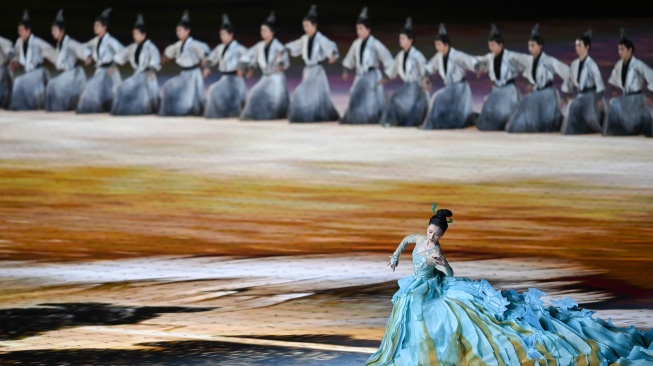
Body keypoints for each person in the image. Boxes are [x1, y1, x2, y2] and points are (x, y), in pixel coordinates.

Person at [366, 204, 653, 366]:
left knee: (450, 322)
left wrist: (443, 266)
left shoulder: (436, 251)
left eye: (437, 235)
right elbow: (405, 242)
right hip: (414, 286)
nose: (432, 237)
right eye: (430, 232)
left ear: (442, 237)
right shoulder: (419, 239)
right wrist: (394, 257)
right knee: (407, 317)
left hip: (432, 288)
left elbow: (450, 273)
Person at [506, 24, 571, 133]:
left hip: (548, 94)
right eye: (529, 46)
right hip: (537, 94)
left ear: (540, 46)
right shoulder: (529, 60)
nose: (530, 48)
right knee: (526, 102)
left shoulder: (549, 61)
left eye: (533, 45)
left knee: (526, 100)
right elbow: (514, 56)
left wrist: (565, 94)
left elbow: (568, 73)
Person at [284, 4, 339, 123]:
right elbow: (295, 45)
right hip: (308, 71)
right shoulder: (304, 39)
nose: (305, 28)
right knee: (306, 94)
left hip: (317, 71)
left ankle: (313, 116)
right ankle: (307, 115)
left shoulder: (320, 39)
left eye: (307, 26)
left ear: (314, 25)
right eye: (304, 26)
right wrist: (286, 49)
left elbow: (330, 46)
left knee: (306, 94)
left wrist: (333, 55)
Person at [340, 7, 394, 125]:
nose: (358, 31)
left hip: (372, 75)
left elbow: (388, 59)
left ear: (368, 30)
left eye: (361, 28)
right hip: (360, 75)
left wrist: (386, 76)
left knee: (370, 100)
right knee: (355, 93)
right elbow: (349, 58)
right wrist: (346, 69)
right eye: (357, 29)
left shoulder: (375, 44)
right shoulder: (356, 43)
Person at [422, 24, 479, 129]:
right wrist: (427, 77)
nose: (437, 47)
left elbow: (471, 61)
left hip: (459, 88)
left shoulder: (457, 55)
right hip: (449, 88)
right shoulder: (438, 56)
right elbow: (430, 66)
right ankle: (435, 123)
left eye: (439, 44)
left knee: (437, 98)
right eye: (436, 45)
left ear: (446, 44)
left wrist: (477, 67)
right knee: (438, 99)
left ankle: (433, 124)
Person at [475, 24, 529, 131]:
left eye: (493, 45)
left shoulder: (511, 57)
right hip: (496, 90)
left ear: (500, 45)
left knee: (507, 113)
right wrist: (478, 67)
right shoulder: (490, 57)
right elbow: (478, 61)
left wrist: (527, 79)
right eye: (489, 45)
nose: (491, 48)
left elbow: (528, 62)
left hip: (508, 90)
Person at [239, 11, 290, 121]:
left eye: (265, 30)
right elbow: (251, 56)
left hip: (276, 78)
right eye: (261, 30)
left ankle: (273, 114)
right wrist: (249, 68)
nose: (262, 32)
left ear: (272, 32)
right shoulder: (259, 46)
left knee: (273, 98)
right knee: (254, 93)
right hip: (266, 77)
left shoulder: (278, 46)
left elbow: (284, 59)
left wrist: (279, 65)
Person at [159, 10, 210, 116]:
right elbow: (167, 55)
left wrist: (206, 68)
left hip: (193, 74)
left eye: (180, 30)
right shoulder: (177, 45)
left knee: (195, 98)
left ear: (187, 31)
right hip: (184, 74)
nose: (178, 33)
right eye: (177, 30)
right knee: (170, 85)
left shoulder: (195, 44)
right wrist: (161, 61)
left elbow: (205, 55)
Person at [380, 17, 429, 127]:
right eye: (400, 38)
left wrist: (426, 81)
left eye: (403, 38)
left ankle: (392, 120)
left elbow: (426, 70)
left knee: (395, 98)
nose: (400, 40)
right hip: (407, 88)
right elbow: (392, 71)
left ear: (410, 40)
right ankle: (392, 120)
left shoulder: (417, 56)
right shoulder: (400, 56)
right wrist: (383, 79)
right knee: (394, 98)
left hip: (416, 89)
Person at [604, 29, 653, 137]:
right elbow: (612, 80)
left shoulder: (638, 64)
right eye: (618, 49)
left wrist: (650, 95)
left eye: (622, 49)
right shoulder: (619, 64)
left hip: (637, 98)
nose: (620, 52)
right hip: (625, 97)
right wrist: (613, 91)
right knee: (613, 103)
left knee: (616, 104)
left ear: (630, 50)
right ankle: (612, 132)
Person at [111, 14, 161, 115]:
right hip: (137, 75)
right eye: (134, 34)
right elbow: (122, 55)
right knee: (123, 87)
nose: (135, 36)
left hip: (147, 76)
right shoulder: (132, 47)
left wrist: (152, 70)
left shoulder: (151, 47)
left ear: (143, 35)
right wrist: (113, 63)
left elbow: (156, 59)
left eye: (137, 34)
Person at [77, 8, 124, 113]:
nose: (95, 28)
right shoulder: (96, 40)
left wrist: (114, 64)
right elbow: (83, 47)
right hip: (99, 70)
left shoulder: (111, 41)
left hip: (109, 72)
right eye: (94, 26)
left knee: (111, 94)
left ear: (104, 27)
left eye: (97, 26)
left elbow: (123, 52)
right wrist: (87, 56)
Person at [560, 28, 606, 134]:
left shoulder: (592, 64)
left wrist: (599, 98)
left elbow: (599, 81)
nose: (577, 48)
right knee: (572, 105)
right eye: (576, 45)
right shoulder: (574, 64)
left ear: (587, 47)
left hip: (591, 95)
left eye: (579, 45)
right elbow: (569, 81)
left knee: (574, 105)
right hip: (581, 95)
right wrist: (564, 95)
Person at [10, 10, 57, 111]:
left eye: (22, 30)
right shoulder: (19, 42)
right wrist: (15, 63)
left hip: (38, 72)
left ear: (28, 31)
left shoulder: (37, 42)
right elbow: (16, 55)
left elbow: (50, 51)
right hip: (28, 73)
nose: (20, 33)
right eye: (19, 30)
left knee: (19, 82)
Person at [204, 14, 248, 119]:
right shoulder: (220, 48)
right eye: (221, 34)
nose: (221, 37)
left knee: (217, 91)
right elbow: (211, 58)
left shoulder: (239, 48)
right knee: (214, 90)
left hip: (235, 80)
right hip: (225, 78)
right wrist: (207, 67)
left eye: (224, 34)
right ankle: (215, 115)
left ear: (231, 35)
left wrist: (243, 68)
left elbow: (249, 57)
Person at [45, 9, 90, 112]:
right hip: (67, 73)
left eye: (55, 30)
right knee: (52, 83)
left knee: (53, 84)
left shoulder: (68, 42)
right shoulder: (59, 43)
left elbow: (78, 47)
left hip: (74, 73)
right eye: (52, 30)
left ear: (62, 31)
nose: (53, 33)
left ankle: (60, 107)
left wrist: (87, 56)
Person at [0, 35, 14, 108]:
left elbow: (10, 53)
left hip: (3, 67)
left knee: (6, 88)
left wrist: (9, 61)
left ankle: (7, 104)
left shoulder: (2, 41)